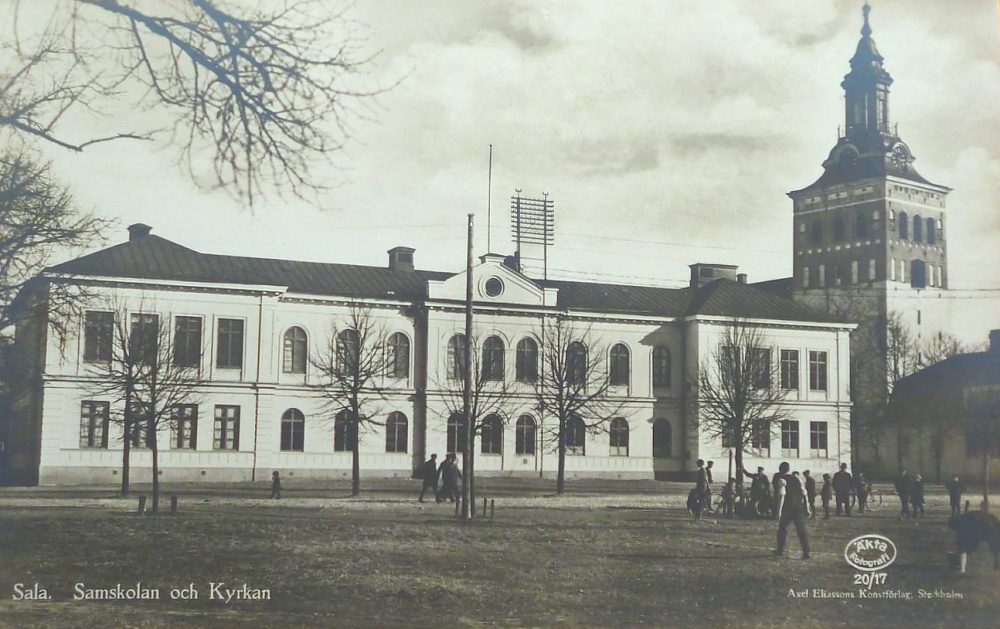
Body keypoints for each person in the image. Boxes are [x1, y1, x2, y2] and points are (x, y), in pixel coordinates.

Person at [774, 462, 811, 559]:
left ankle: (780, 550)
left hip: (787, 508)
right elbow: (804, 494)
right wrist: (807, 508)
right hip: (798, 507)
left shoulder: (782, 480)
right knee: (801, 530)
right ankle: (806, 552)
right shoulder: (798, 479)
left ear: (780, 470)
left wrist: (779, 511)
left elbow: (782, 495)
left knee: (782, 529)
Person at [948, 508, 1000, 573]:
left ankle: (962, 567)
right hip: (992, 526)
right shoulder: (967, 517)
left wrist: (962, 548)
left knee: (965, 548)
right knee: (995, 546)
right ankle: (996, 564)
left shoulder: (964, 523)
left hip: (988, 527)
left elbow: (968, 539)